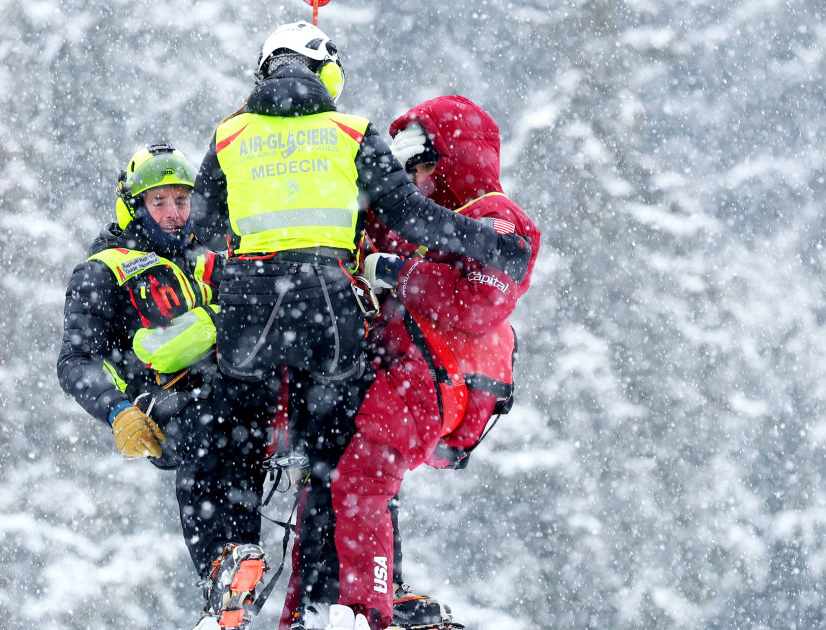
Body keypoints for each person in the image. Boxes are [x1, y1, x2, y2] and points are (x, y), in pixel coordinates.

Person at [191, 22, 534, 630]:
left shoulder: (230, 134)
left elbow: (203, 226)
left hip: (254, 308)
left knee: (236, 433)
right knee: (337, 461)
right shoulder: (350, 133)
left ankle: (244, 562)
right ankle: (341, 599)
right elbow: (407, 212)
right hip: (329, 310)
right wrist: (477, 245)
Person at [322, 95, 542, 630]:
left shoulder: (497, 218)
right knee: (351, 476)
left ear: (456, 160)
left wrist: (397, 273)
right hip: (412, 371)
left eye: (425, 166)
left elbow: (475, 300)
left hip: (436, 376)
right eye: (410, 170)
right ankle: (378, 593)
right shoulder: (428, 221)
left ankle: (368, 608)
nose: (416, 180)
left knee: (362, 481)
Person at [56, 144, 268, 630]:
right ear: (133, 206)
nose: (174, 214)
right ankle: (219, 572)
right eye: (160, 203)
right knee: (207, 430)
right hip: (169, 402)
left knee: (290, 432)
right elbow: (75, 359)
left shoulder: (207, 257)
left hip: (238, 394)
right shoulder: (104, 270)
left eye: (182, 201)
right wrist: (117, 411)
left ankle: (252, 575)